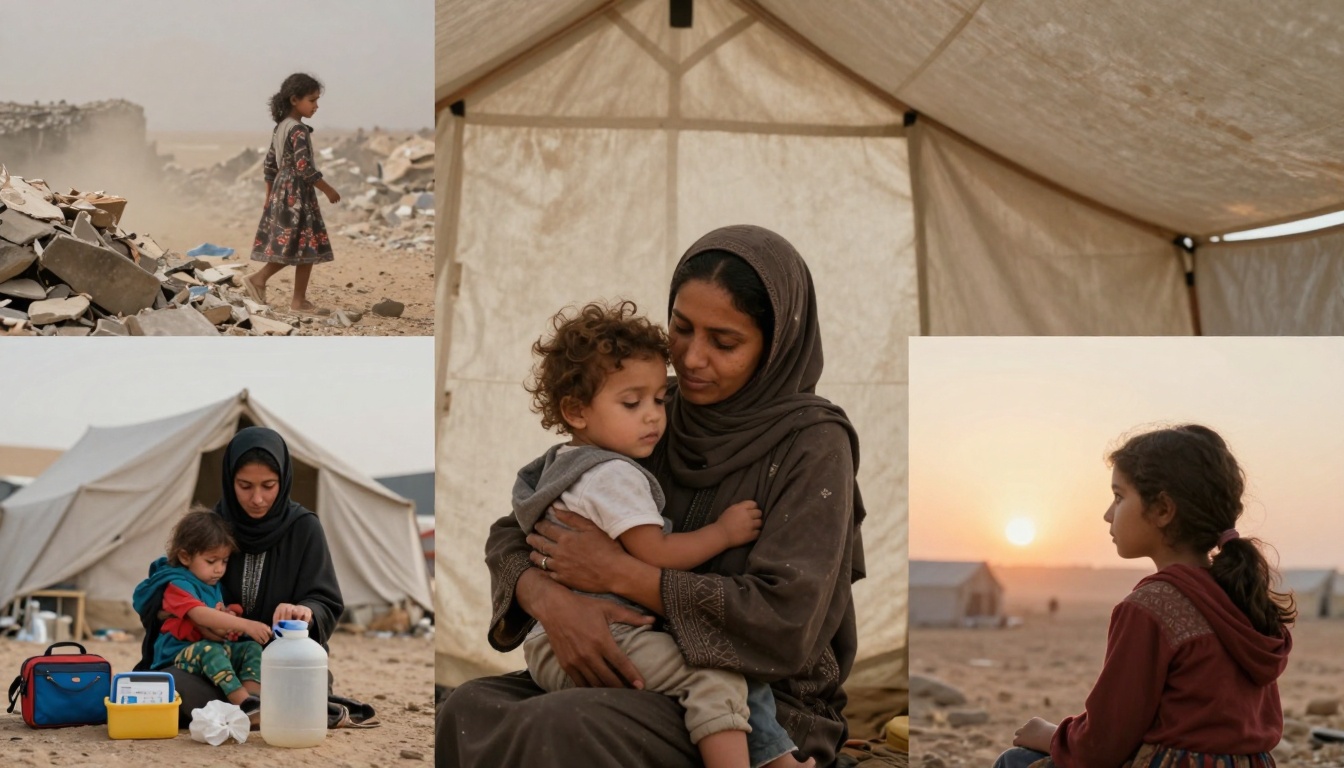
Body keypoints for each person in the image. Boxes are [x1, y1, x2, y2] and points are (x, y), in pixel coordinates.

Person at [437, 224, 865, 768]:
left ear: (777, 345)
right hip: (641, 663)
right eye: (681, 329)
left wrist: (619, 575)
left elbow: (785, 621)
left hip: (759, 705)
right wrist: (552, 602)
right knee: (466, 706)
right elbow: (516, 529)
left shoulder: (813, 445)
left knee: (566, 725)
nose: (690, 359)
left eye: (724, 342)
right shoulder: (654, 415)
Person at [515, 299, 810, 768]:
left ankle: (777, 761)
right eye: (633, 404)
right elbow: (657, 552)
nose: (654, 415)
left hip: (555, 644)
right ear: (576, 411)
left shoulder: (556, 465)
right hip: (589, 639)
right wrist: (723, 532)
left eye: (659, 399)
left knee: (724, 667)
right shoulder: (613, 473)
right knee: (716, 678)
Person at [994, 425, 1293, 768]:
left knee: (1016, 761)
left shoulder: (1150, 606)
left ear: (1163, 510)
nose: (1108, 514)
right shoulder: (1237, 595)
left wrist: (1050, 735)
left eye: (1119, 497)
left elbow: (1103, 744)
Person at [136, 426, 345, 722]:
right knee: (174, 684)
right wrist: (176, 613)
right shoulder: (214, 527)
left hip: (280, 662)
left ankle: (248, 707)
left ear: (283, 480)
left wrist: (305, 611)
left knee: (307, 683)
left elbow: (326, 599)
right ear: (229, 479)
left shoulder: (304, 528)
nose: (257, 499)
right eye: (245, 486)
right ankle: (253, 708)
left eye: (268, 486)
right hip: (215, 663)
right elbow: (175, 581)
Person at [131, 508, 272, 724]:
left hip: (207, 649)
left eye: (224, 562)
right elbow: (199, 614)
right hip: (177, 654)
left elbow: (214, 617)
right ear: (185, 556)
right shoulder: (178, 584)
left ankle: (255, 699)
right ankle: (243, 705)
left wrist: (228, 618)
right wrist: (245, 624)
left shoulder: (210, 583)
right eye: (211, 561)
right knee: (211, 650)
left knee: (250, 648)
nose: (219, 569)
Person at [244, 72, 340, 316]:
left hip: (282, 189)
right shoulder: (297, 130)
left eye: (318, 101)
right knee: (301, 244)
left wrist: (269, 196)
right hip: (297, 193)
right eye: (312, 100)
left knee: (303, 245)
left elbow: (269, 166)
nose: (316, 106)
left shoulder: (280, 128)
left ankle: (298, 300)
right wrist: (328, 189)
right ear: (294, 99)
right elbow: (304, 167)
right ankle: (260, 280)